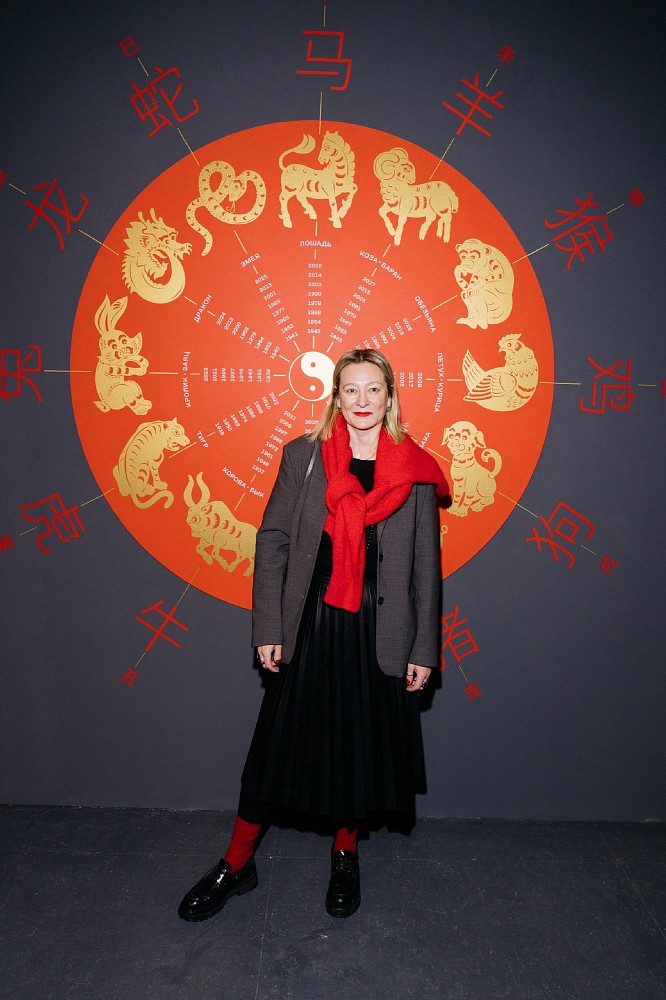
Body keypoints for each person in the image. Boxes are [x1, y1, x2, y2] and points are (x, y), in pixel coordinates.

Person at [178, 348, 450, 922]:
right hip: (313, 619)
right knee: (273, 750)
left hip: (379, 628)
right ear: (336, 397)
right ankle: (236, 861)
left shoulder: (416, 468)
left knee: (355, 748)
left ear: (390, 396)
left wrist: (424, 647)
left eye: (373, 389)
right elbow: (273, 539)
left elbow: (426, 568)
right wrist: (269, 626)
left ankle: (345, 854)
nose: (362, 401)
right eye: (351, 390)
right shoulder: (304, 457)